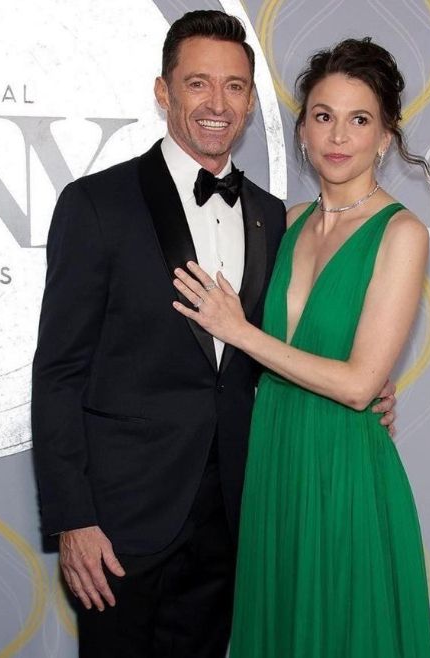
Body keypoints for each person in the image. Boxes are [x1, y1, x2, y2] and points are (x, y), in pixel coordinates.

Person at [31, 12, 396, 658]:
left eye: (234, 86)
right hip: (120, 527)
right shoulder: (97, 204)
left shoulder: (273, 218)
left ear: (251, 102)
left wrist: (366, 381)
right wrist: (73, 519)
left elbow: (289, 341)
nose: (217, 103)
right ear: (163, 91)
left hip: (236, 517)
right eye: (197, 83)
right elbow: (58, 372)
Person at [173, 37, 430, 658]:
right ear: (302, 130)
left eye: (359, 119)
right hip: (272, 463)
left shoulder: (401, 233)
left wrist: (241, 331)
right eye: (323, 116)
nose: (338, 136)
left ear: (385, 136)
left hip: (344, 470)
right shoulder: (283, 224)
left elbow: (358, 385)